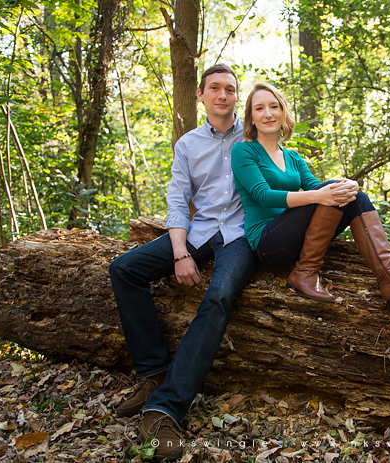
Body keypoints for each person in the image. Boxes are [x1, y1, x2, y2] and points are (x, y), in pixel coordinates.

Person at [108, 64, 257, 462]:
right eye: (215, 88)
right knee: (124, 269)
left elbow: (284, 176)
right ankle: (152, 370)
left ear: (236, 96)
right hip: (198, 232)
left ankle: (165, 408)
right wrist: (180, 253)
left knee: (220, 294)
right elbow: (177, 201)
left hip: (241, 236)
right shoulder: (188, 144)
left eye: (229, 89)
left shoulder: (254, 136)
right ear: (201, 95)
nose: (222, 95)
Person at [231, 82, 390, 305]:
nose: (268, 113)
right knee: (331, 191)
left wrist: (350, 185)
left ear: (283, 112)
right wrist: (321, 194)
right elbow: (263, 195)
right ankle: (305, 272)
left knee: (354, 197)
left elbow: (317, 186)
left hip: (296, 239)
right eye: (259, 108)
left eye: (274, 106)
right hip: (268, 243)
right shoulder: (243, 150)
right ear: (251, 118)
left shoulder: (292, 157)